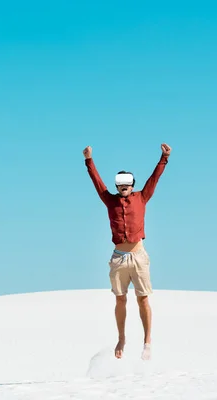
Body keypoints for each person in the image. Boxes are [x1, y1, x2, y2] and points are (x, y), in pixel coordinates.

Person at [83, 143, 171, 360]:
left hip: (139, 256)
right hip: (119, 258)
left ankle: (147, 341)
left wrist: (164, 157)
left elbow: (154, 179)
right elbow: (97, 183)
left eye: (127, 183)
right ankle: (121, 338)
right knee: (120, 299)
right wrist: (89, 161)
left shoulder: (142, 197)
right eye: (120, 183)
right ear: (117, 185)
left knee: (143, 299)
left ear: (132, 184)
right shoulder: (109, 200)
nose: (124, 186)